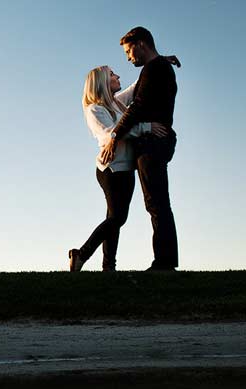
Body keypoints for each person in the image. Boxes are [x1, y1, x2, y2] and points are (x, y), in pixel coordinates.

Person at [69, 65, 170, 272]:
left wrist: (158, 63)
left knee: (114, 218)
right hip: (111, 171)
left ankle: (108, 266)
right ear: (103, 82)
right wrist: (146, 127)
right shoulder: (94, 109)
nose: (118, 76)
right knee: (118, 218)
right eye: (113, 75)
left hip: (126, 169)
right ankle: (81, 254)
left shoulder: (116, 102)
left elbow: (136, 88)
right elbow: (110, 134)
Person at [100, 26, 180, 271]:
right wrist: (162, 59)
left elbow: (138, 106)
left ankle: (164, 263)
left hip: (153, 144)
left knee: (156, 203)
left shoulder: (155, 69)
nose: (127, 57)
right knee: (157, 202)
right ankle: (165, 261)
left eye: (128, 51)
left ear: (141, 44)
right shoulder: (156, 68)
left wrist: (114, 137)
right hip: (155, 143)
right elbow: (139, 93)